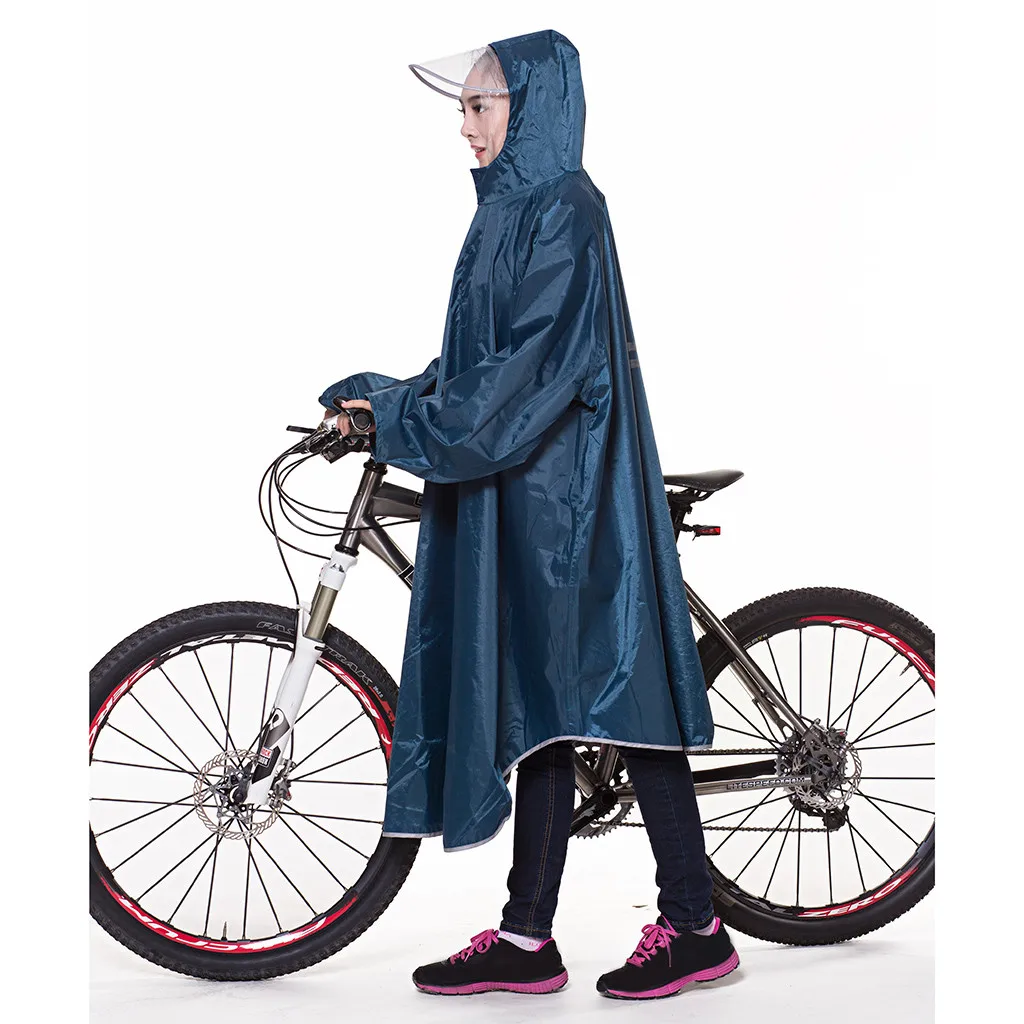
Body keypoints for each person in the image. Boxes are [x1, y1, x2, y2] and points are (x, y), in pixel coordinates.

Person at [319, 29, 741, 1000]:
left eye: (481, 106)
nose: (464, 127)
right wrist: (386, 400)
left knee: (620, 696)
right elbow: (478, 366)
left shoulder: (566, 210)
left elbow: (530, 373)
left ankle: (695, 924)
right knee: (545, 707)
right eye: (462, 108)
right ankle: (526, 938)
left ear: (533, 107)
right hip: (527, 495)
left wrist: (402, 421)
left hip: (573, 499)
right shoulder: (505, 214)